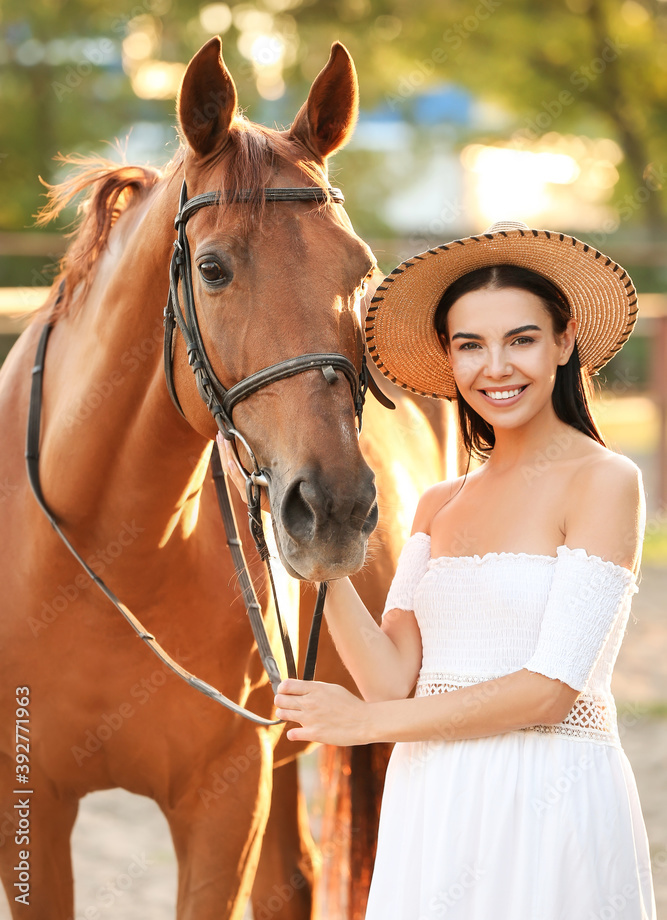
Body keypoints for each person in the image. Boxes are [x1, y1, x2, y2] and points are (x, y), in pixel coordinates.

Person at [221, 220, 656, 919]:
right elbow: (392, 676)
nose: (496, 367)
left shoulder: (603, 481)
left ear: (563, 341)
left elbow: (549, 691)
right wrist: (307, 545)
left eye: (520, 339)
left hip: (545, 793)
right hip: (431, 798)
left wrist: (367, 724)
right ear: (449, 360)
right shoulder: (436, 503)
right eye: (470, 346)